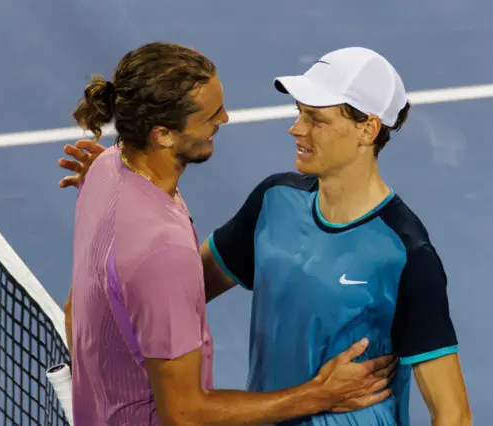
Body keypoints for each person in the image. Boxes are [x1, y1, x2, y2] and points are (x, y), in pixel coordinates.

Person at [65, 41, 398, 426]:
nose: (224, 119)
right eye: (209, 115)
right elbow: (186, 414)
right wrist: (318, 394)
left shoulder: (106, 169)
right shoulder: (160, 250)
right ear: (163, 135)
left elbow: (79, 310)